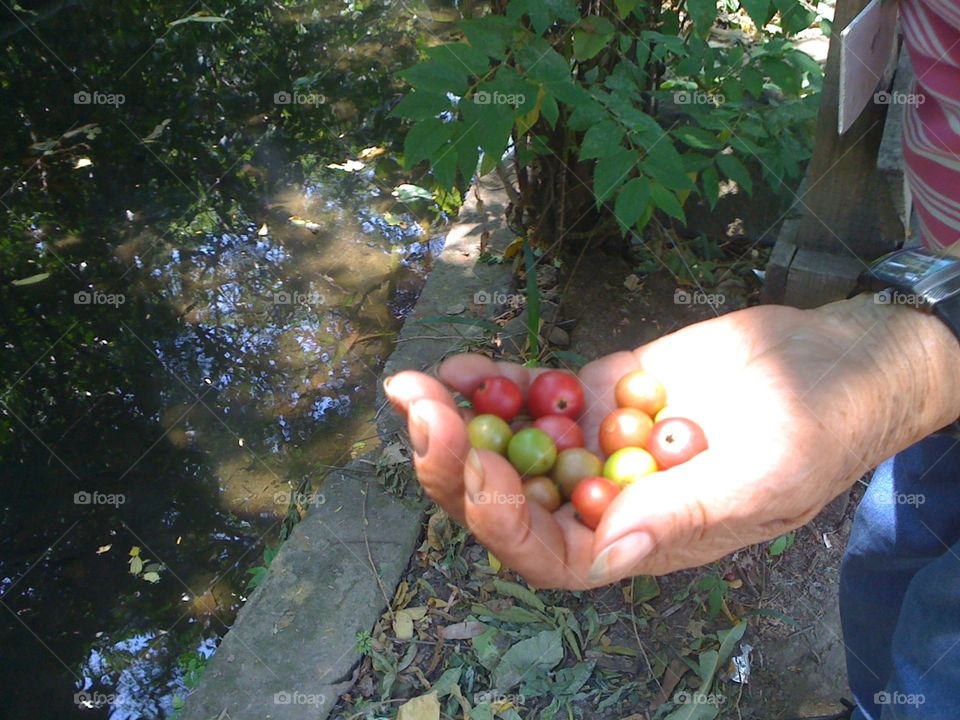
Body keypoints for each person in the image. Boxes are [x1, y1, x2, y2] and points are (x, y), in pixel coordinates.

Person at [385, 0, 960, 717]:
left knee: (947, 635)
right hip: (944, 264)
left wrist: (918, 361)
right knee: (892, 550)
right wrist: (928, 315)